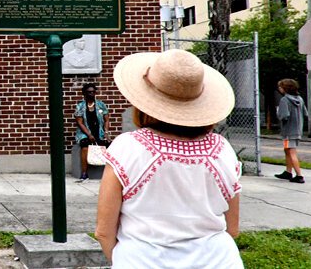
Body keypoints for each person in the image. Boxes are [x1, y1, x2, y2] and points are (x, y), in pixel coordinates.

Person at [95, 49, 242, 268]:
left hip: (143, 261)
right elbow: (232, 228)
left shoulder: (128, 147)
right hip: (218, 260)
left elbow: (104, 232)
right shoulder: (222, 149)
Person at [74, 82, 110, 182]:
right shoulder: (80, 106)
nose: (91, 94)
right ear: (84, 93)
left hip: (99, 131)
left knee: (109, 145)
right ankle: (84, 173)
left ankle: (109, 174)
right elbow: (80, 122)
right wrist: (89, 134)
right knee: (85, 145)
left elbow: (106, 119)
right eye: (89, 92)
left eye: (93, 92)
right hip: (85, 133)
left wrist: (106, 133)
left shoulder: (101, 105)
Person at [273, 78, 306, 183]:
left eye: (280, 87)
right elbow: (305, 113)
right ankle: (288, 171)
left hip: (288, 131)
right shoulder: (300, 99)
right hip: (297, 129)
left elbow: (284, 115)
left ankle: (299, 175)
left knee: (291, 151)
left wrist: (278, 111)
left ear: (285, 88)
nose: (279, 89)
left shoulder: (284, 100)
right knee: (287, 150)